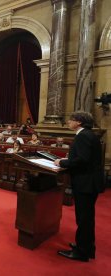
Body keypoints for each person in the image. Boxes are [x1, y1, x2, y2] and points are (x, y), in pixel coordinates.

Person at [55, 111, 104, 262]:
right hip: (89, 181)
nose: (68, 122)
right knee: (86, 218)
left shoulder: (83, 136)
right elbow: (84, 158)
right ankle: (87, 247)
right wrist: (69, 160)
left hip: (85, 183)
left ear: (79, 122)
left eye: (71, 120)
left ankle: (82, 252)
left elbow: (82, 159)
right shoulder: (89, 134)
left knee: (83, 218)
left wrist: (63, 163)